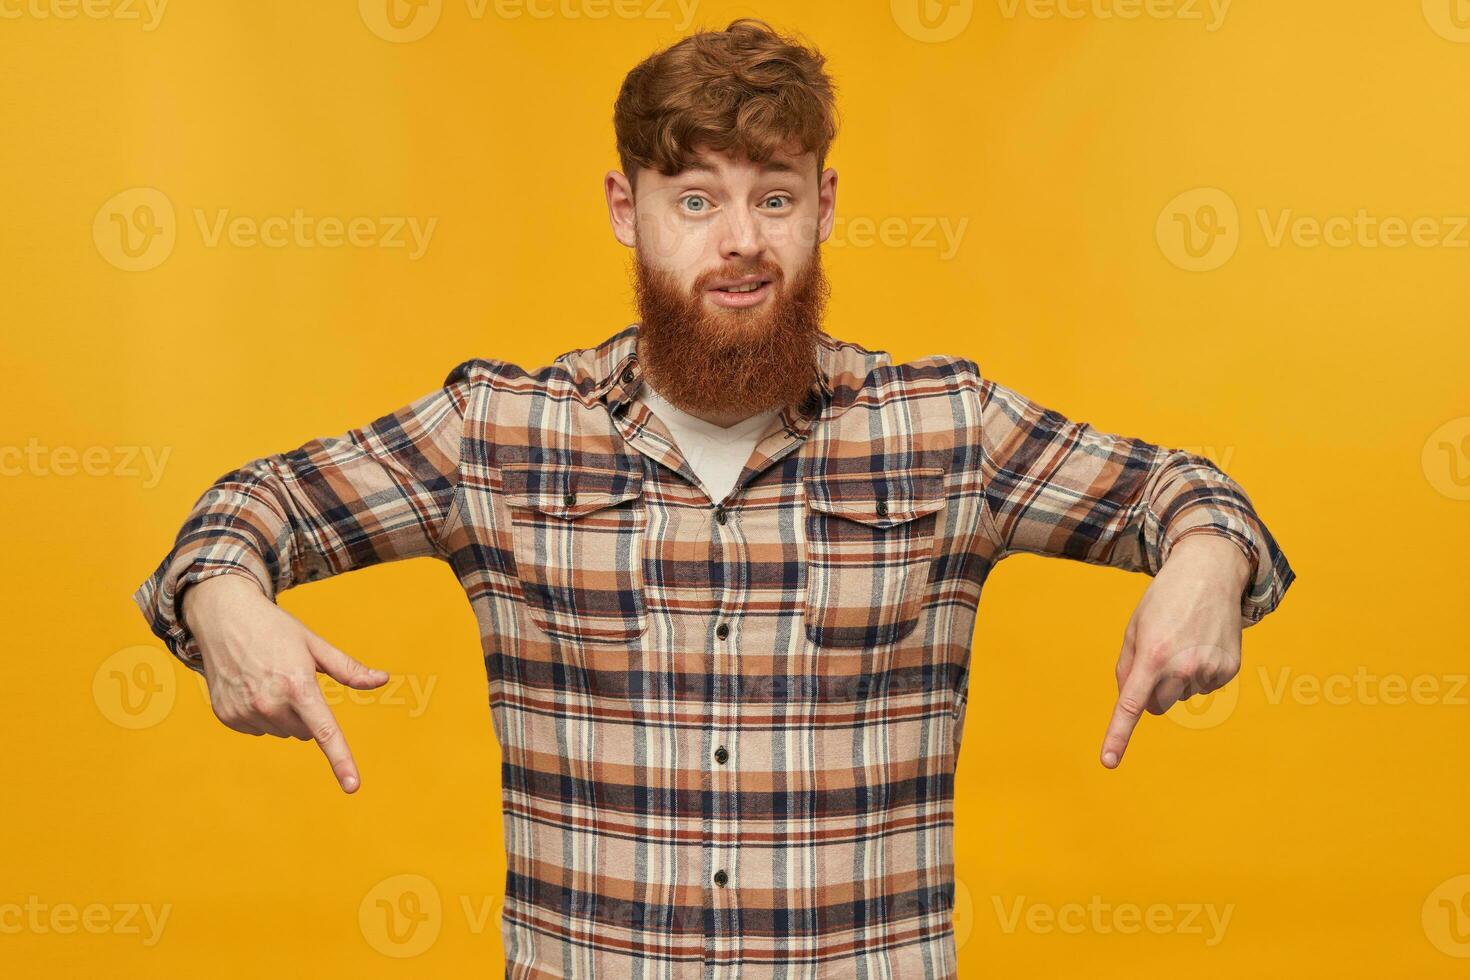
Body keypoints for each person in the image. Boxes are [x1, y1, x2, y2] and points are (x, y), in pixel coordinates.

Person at [132, 18, 1295, 977]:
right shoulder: (501, 431)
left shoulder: (945, 426)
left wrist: (1205, 562)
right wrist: (226, 598)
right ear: (624, 208)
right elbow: (250, 507)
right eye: (696, 199)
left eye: (774, 199)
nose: (741, 243)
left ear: (825, 204)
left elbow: (1191, 494)